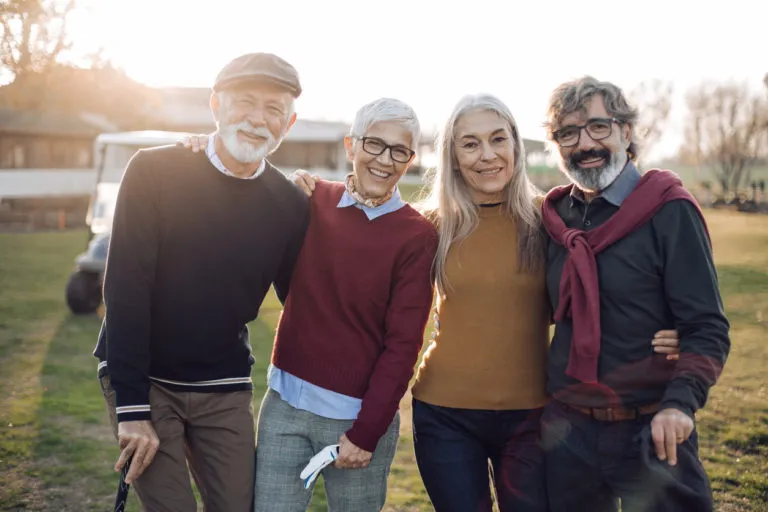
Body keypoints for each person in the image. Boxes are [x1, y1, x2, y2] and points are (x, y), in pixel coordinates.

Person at [186, 97, 438, 512]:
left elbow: (403, 345)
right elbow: (243, 192)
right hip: (284, 406)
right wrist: (201, 151)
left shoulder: (415, 236)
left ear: (409, 160)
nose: (384, 160)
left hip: (356, 420)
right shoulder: (309, 199)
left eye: (399, 151)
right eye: (374, 144)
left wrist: (367, 432)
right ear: (350, 146)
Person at [93, 52, 309, 511]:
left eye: (273, 109)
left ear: (288, 124)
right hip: (146, 380)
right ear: (215, 105)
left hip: (224, 385)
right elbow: (126, 291)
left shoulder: (290, 204)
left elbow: (303, 302)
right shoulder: (154, 171)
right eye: (245, 102)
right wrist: (132, 409)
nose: (257, 119)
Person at [539, 76, 730, 512]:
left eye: (598, 127)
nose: (585, 143)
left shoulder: (668, 209)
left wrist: (679, 406)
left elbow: (707, 328)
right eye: (568, 133)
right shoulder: (552, 220)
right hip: (567, 434)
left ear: (626, 131)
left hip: (653, 427)